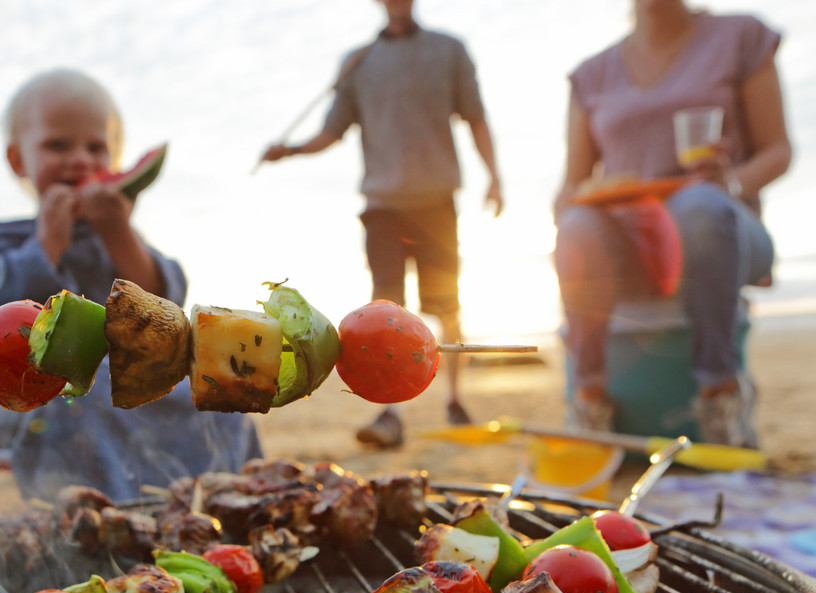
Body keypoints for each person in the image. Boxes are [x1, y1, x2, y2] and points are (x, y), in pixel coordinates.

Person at [0, 68, 263, 502]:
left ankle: (220, 504)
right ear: (19, 160)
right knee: (85, 393)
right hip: (38, 399)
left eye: (96, 147)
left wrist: (120, 233)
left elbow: (167, 308)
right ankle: (111, 519)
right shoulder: (3, 238)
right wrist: (46, 246)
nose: (80, 159)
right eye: (57, 145)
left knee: (219, 395)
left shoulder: (118, 238)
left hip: (136, 394)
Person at [259, 0, 503, 448]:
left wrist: (495, 176)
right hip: (382, 204)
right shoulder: (357, 60)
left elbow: (475, 116)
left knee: (447, 305)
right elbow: (333, 131)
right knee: (383, 309)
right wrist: (291, 150)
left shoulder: (449, 49)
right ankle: (390, 415)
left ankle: (453, 399)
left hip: (436, 200)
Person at [553, 0, 791, 448]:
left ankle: (720, 397)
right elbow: (572, 186)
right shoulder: (592, 75)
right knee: (578, 226)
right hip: (629, 241)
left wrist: (730, 184)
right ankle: (588, 400)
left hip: (723, 227)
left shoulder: (740, 37)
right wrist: (571, 202)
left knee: (698, 207)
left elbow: (778, 150)